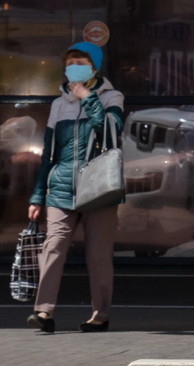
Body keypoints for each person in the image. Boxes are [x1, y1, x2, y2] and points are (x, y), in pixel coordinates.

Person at [26, 41, 125, 334]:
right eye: (69, 64)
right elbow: (48, 153)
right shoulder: (58, 104)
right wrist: (37, 195)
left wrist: (87, 98)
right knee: (53, 247)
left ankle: (100, 314)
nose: (73, 69)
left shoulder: (112, 96)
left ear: (94, 68)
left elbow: (110, 131)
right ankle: (43, 312)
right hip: (61, 188)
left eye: (80, 64)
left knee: (98, 255)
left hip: (99, 189)